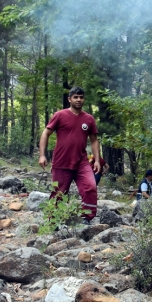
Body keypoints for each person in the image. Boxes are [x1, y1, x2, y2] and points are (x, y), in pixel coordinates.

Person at [39, 86, 100, 224]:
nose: (79, 100)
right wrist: (42, 155)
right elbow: (45, 133)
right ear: (69, 99)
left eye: (81, 97)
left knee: (90, 187)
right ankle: (53, 221)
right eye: (76, 97)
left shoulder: (89, 119)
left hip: (81, 162)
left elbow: (94, 140)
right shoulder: (60, 115)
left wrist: (96, 159)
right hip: (61, 162)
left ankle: (87, 218)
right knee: (58, 193)